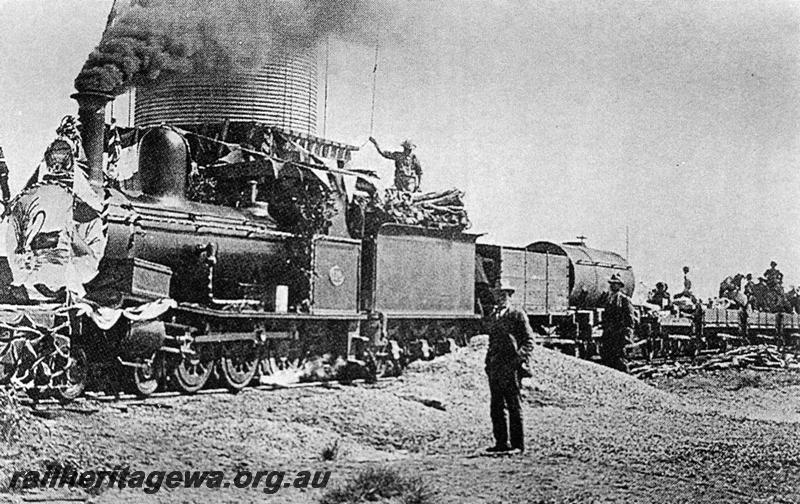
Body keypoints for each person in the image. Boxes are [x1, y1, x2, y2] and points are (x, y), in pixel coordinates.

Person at [484, 279, 534, 454]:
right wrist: (488, 363)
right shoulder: (493, 316)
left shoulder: (518, 314)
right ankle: (501, 443)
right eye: (498, 294)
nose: (501, 298)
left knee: (514, 405)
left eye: (504, 294)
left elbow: (529, 341)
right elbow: (491, 342)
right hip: (495, 367)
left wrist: (518, 360)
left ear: (510, 296)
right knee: (496, 407)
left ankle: (517, 445)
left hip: (511, 367)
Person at [600, 274, 635, 373]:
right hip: (608, 334)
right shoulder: (608, 299)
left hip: (619, 334)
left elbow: (630, 319)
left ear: (619, 286)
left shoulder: (624, 300)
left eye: (615, 284)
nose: (612, 286)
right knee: (607, 359)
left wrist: (628, 335)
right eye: (611, 284)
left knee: (620, 360)